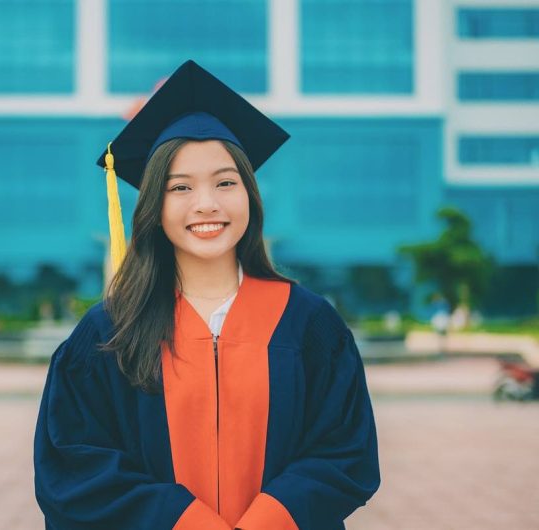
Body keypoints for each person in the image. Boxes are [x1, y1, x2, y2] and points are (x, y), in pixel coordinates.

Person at [34, 60, 380, 530]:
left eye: (225, 182)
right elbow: (75, 466)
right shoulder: (109, 331)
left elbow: (344, 451)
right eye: (180, 187)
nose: (207, 204)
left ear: (249, 196)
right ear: (154, 207)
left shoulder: (309, 324)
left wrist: (267, 521)